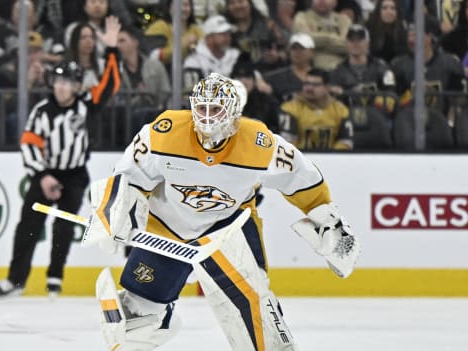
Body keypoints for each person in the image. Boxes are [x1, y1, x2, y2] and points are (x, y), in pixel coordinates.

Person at [84, 72, 361, 350]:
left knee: (258, 317)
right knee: (138, 321)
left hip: (229, 229)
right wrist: (115, 214)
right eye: (201, 108)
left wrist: (329, 222)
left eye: (215, 109)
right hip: (168, 224)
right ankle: (153, 317)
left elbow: (302, 180)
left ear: (232, 112)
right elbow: (128, 176)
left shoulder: (260, 143)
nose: (207, 117)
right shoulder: (163, 132)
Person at [0, 16, 121, 300]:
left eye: (67, 82)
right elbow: (28, 145)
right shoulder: (42, 111)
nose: (61, 87)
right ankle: (16, 280)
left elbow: (110, 84)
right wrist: (42, 175)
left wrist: (111, 50)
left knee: (63, 227)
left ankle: (54, 278)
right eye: (57, 81)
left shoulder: (86, 105)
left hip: (74, 175)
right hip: (46, 174)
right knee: (28, 226)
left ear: (76, 85)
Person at [280, 68, 354, 150]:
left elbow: (346, 141)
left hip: (333, 159)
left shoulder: (341, 110)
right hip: (300, 158)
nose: (309, 88)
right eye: (306, 83)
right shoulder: (290, 108)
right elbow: (287, 142)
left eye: (315, 85)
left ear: (327, 87)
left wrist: (331, 156)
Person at [292, 0, 351, 70]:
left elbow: (349, 46)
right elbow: (304, 40)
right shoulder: (302, 17)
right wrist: (331, 38)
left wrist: (317, 45)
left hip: (343, 70)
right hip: (313, 70)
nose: (321, 1)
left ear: (335, 2)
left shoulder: (344, 20)